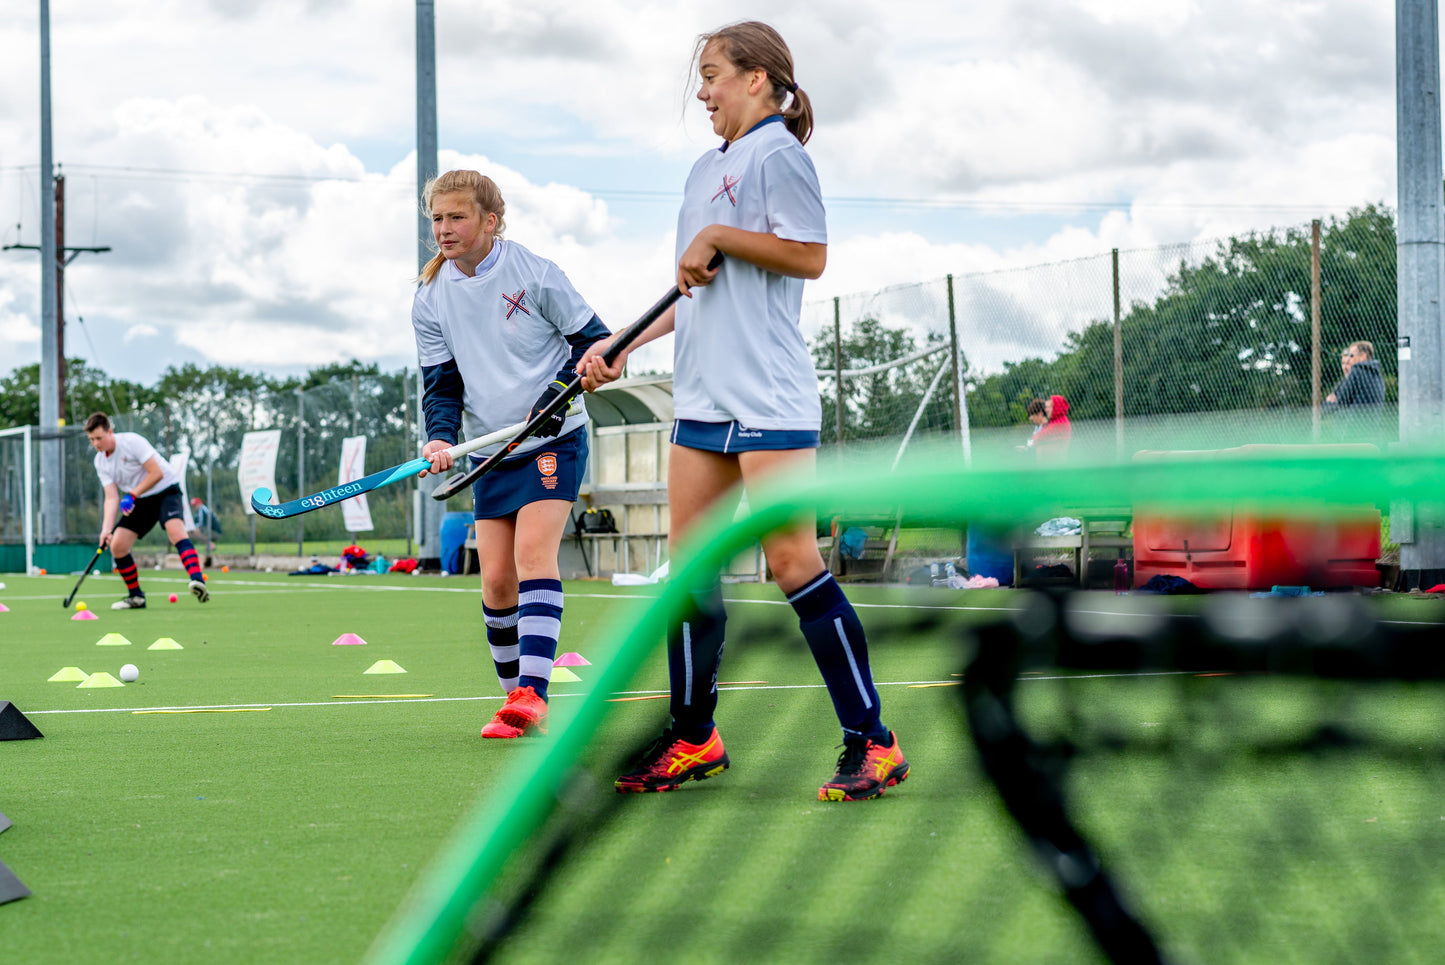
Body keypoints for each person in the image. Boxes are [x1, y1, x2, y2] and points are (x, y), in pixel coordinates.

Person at [579, 21, 908, 802]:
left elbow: (809, 254)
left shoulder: (781, 156)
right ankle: (694, 736)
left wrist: (725, 234)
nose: (701, 90)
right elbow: (693, 289)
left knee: (793, 563)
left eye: (712, 74)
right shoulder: (705, 169)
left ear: (757, 78)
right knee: (687, 571)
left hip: (767, 396)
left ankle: (873, 739)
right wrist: (625, 343)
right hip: (702, 397)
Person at [413, 169, 610, 740]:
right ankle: (515, 705)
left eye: (457, 217)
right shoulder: (430, 297)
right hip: (493, 449)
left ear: (489, 221)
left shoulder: (536, 274)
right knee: (495, 582)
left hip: (553, 437)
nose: (444, 229)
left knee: (531, 558)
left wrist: (554, 398)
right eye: (437, 219)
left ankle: (533, 694)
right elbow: (442, 384)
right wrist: (442, 437)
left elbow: (592, 342)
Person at [84, 412, 210, 609]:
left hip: (165, 490)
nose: (96, 444)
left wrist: (132, 495)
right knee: (118, 545)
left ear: (110, 431)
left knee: (175, 531)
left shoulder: (132, 442)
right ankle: (136, 597)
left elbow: (156, 473)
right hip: (140, 498)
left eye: (99, 438)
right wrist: (106, 529)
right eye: (91, 439)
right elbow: (111, 497)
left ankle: (197, 581)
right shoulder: (100, 461)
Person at [1325, 341, 1385, 407]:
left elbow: (1341, 401)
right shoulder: (1377, 373)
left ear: (1363, 356)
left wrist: (1328, 403)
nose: (1350, 359)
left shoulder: (1357, 370)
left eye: (1352, 356)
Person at [1033, 394, 1072, 463]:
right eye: (1046, 407)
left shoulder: (1061, 423)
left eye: (1049, 407)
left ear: (1057, 407)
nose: (1046, 410)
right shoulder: (1053, 421)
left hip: (1055, 464)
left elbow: (1038, 437)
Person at [188, 496, 221, 562]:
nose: (193, 507)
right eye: (192, 506)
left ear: (199, 504)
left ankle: (210, 544)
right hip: (207, 529)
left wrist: (193, 528)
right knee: (190, 532)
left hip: (214, 531)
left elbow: (202, 524)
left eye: (195, 505)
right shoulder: (197, 512)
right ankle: (209, 544)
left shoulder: (202, 510)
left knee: (194, 531)